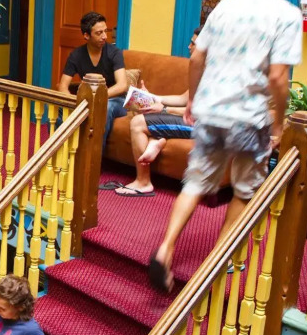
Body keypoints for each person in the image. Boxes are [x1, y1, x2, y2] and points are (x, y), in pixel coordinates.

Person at [148, 0, 304, 292]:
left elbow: (196, 59)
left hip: (211, 111)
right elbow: (278, 77)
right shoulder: (287, 14)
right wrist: (279, 122)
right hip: (249, 117)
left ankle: (165, 248)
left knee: (195, 183)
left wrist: (193, 100)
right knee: (245, 191)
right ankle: (214, 266)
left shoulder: (226, 5)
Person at [113, 29, 201, 197]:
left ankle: (143, 182)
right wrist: (152, 97)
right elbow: (183, 99)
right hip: (191, 119)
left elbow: (199, 113)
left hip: (202, 125)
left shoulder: (213, 75)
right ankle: (156, 141)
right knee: (145, 113)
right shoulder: (202, 69)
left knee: (138, 123)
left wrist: (164, 109)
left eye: (193, 43)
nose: (189, 46)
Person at [57, 12, 129, 146]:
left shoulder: (114, 53)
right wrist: (74, 102)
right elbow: (63, 86)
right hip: (87, 99)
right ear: (86, 35)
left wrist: (97, 97)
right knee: (61, 108)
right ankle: (63, 152)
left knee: (106, 107)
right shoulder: (76, 55)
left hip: (115, 100)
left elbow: (122, 85)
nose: (104, 36)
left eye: (105, 31)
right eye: (99, 33)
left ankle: (95, 156)